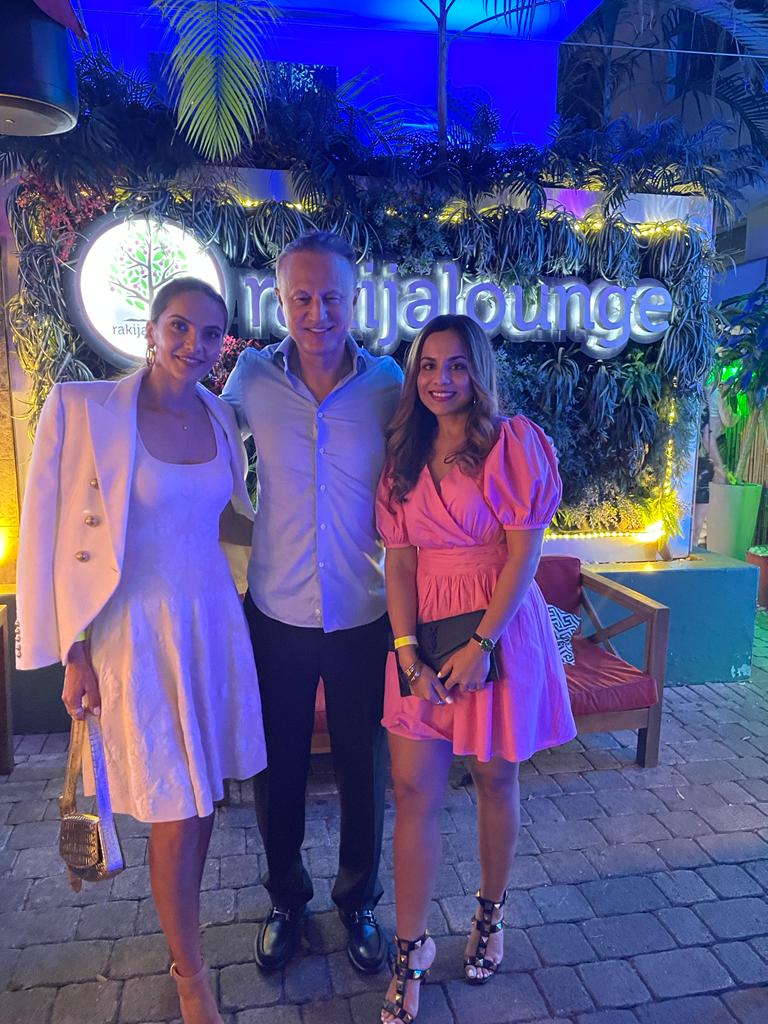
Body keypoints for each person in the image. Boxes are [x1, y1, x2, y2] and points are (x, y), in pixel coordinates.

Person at [15, 277, 266, 1024]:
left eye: (210, 332)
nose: (194, 343)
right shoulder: (86, 409)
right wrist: (72, 650)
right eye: (180, 326)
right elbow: (51, 534)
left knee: (202, 799)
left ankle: (183, 943)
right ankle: (191, 975)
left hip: (212, 624)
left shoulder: (219, 415)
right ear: (152, 330)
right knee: (174, 809)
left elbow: (228, 520)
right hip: (134, 634)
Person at [375, 314, 576, 1023]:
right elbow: (400, 563)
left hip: (497, 631)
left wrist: (482, 646)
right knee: (411, 791)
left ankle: (490, 915)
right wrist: (406, 651)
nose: (441, 379)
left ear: (478, 371)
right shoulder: (404, 453)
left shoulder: (510, 443)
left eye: (456, 365)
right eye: (429, 366)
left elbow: (525, 556)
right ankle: (411, 949)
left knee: (494, 778)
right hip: (423, 635)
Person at [221, 231, 403, 973]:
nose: (317, 312)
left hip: (364, 610)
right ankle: (286, 900)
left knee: (364, 768)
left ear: (355, 300)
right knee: (278, 768)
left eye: (332, 296)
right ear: (280, 300)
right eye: (302, 297)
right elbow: (201, 443)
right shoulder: (252, 378)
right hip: (277, 611)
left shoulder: (389, 383)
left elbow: (429, 472)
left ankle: (358, 900)